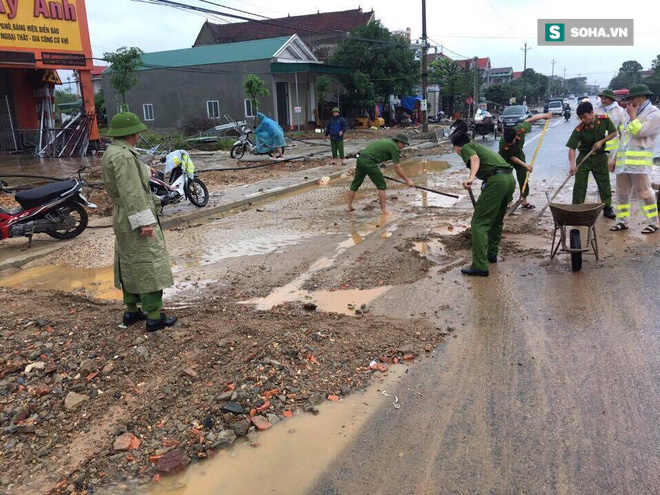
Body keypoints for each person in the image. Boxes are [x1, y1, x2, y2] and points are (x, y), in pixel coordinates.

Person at [101, 112, 178, 332]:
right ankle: (154, 316)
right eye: (136, 132)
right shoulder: (124, 156)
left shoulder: (114, 151)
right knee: (148, 263)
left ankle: (131, 311)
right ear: (130, 133)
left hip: (123, 215)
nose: (138, 136)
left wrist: (147, 170)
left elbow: (127, 175)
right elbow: (132, 191)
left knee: (129, 262)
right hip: (135, 215)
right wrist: (144, 222)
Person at [452, 132, 516, 277]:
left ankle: (480, 266)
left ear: (456, 148)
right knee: (497, 221)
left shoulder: (466, 148)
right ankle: (492, 254)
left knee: (478, 223)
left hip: (497, 181)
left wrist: (471, 178)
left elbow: (474, 159)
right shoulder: (480, 147)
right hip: (509, 179)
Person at [610, 84, 660, 234]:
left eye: (633, 98)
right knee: (622, 193)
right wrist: (615, 157)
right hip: (623, 162)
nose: (629, 101)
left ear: (642, 97)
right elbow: (624, 137)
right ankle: (622, 221)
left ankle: (654, 222)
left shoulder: (654, 114)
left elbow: (640, 132)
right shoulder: (630, 112)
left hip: (639, 163)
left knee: (645, 192)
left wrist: (632, 116)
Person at [565, 101, 617, 219]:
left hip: (600, 157)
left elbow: (614, 132)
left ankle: (607, 207)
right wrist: (572, 165)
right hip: (584, 157)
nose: (583, 120)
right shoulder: (579, 129)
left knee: (604, 182)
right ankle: (577, 209)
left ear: (592, 112)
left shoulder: (603, 120)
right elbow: (572, 148)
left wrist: (601, 142)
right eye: (580, 118)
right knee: (580, 184)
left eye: (585, 117)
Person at [347, 134, 414, 214]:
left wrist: (378, 168)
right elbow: (397, 168)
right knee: (381, 185)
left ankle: (349, 206)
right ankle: (384, 209)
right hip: (369, 162)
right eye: (403, 144)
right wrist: (407, 180)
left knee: (356, 183)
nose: (403, 146)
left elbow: (378, 153)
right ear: (398, 141)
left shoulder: (387, 141)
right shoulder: (395, 147)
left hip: (361, 159)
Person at [498, 112, 553, 209]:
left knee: (523, 177)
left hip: (518, 155)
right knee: (508, 180)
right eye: (509, 143)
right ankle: (509, 202)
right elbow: (511, 157)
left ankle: (524, 200)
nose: (510, 144)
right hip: (505, 158)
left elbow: (529, 120)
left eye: (512, 142)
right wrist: (525, 165)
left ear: (515, 136)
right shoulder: (503, 144)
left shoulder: (520, 129)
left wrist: (544, 116)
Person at [596, 89, 628, 171]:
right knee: (599, 168)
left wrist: (622, 140)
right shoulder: (597, 109)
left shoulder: (619, 110)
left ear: (611, 99)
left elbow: (622, 127)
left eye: (605, 99)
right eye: (602, 99)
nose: (603, 101)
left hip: (614, 145)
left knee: (611, 167)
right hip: (599, 143)